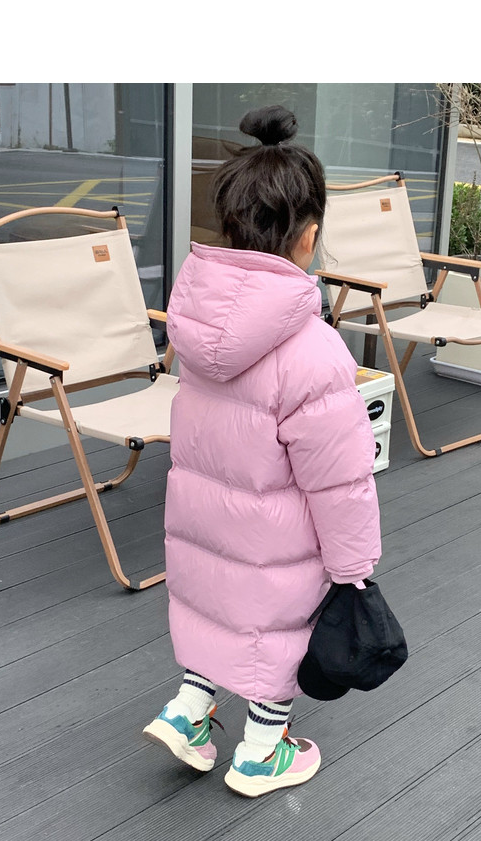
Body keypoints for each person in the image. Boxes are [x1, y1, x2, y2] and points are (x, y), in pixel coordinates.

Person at [143, 104, 382, 798]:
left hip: (203, 516)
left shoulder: (196, 320)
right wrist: (353, 567)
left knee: (215, 609)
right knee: (277, 630)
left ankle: (187, 712)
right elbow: (340, 481)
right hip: (278, 534)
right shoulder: (313, 349)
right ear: (309, 236)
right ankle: (259, 753)